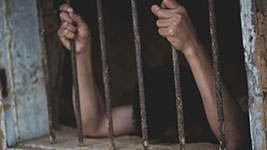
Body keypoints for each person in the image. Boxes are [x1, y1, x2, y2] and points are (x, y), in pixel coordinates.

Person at [57, 0, 251, 149]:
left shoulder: (242, 105)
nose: (176, 140)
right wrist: (81, 54)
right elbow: (94, 124)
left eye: (187, 134)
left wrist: (191, 46)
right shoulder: (154, 116)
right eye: (168, 139)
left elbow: (236, 141)